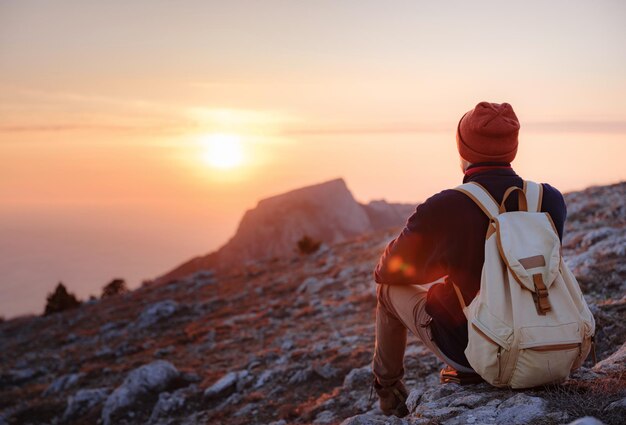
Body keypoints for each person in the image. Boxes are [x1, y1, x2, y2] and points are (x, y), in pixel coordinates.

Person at [370, 101, 567, 417]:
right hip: (550, 340)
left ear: (463, 149)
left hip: (473, 349)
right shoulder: (550, 199)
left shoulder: (446, 206)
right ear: (513, 148)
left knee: (387, 293)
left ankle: (388, 391)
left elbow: (389, 272)